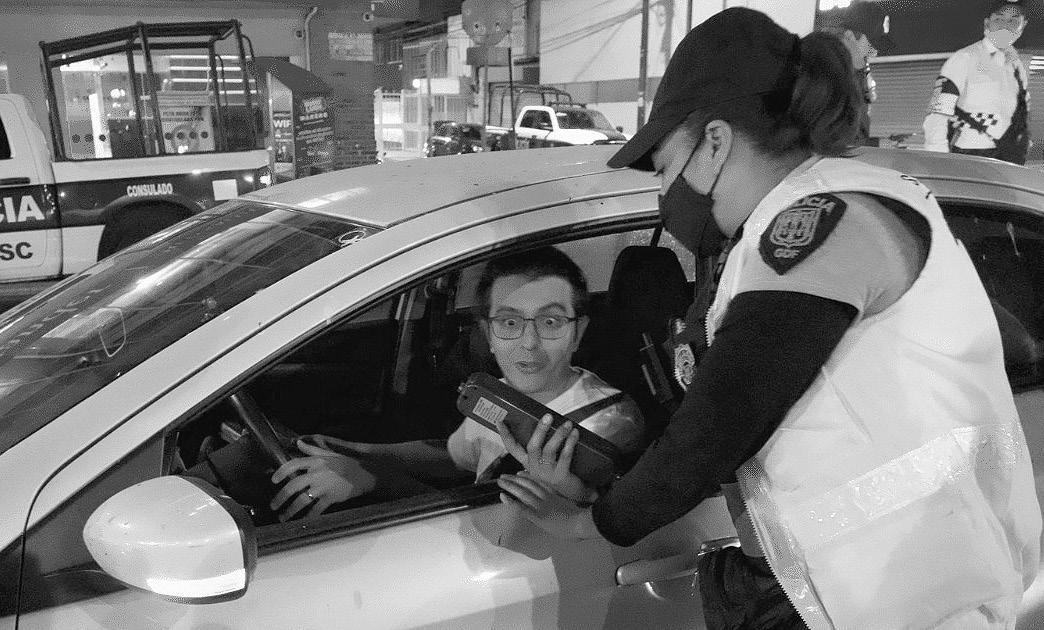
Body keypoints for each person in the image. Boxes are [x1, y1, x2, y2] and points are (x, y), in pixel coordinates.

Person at [495, 8, 1041, 630]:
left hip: (911, 597)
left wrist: (591, 523)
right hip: (826, 585)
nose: (664, 192)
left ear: (715, 142)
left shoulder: (829, 222)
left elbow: (723, 420)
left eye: (665, 166)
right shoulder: (771, 238)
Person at [268, 245, 645, 521]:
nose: (529, 343)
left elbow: (504, 522)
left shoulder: (604, 426)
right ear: (489, 335)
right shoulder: (502, 394)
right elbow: (454, 458)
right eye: (509, 323)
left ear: (578, 332)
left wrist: (373, 479)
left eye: (550, 322)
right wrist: (355, 451)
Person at [923, 0, 1032, 164]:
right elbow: (938, 113)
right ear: (987, 23)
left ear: (1023, 26)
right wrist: (939, 160)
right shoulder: (965, 58)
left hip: (1010, 158)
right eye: (999, 19)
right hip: (971, 156)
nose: (1005, 26)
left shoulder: (1017, 66)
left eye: (1013, 20)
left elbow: (1020, 111)